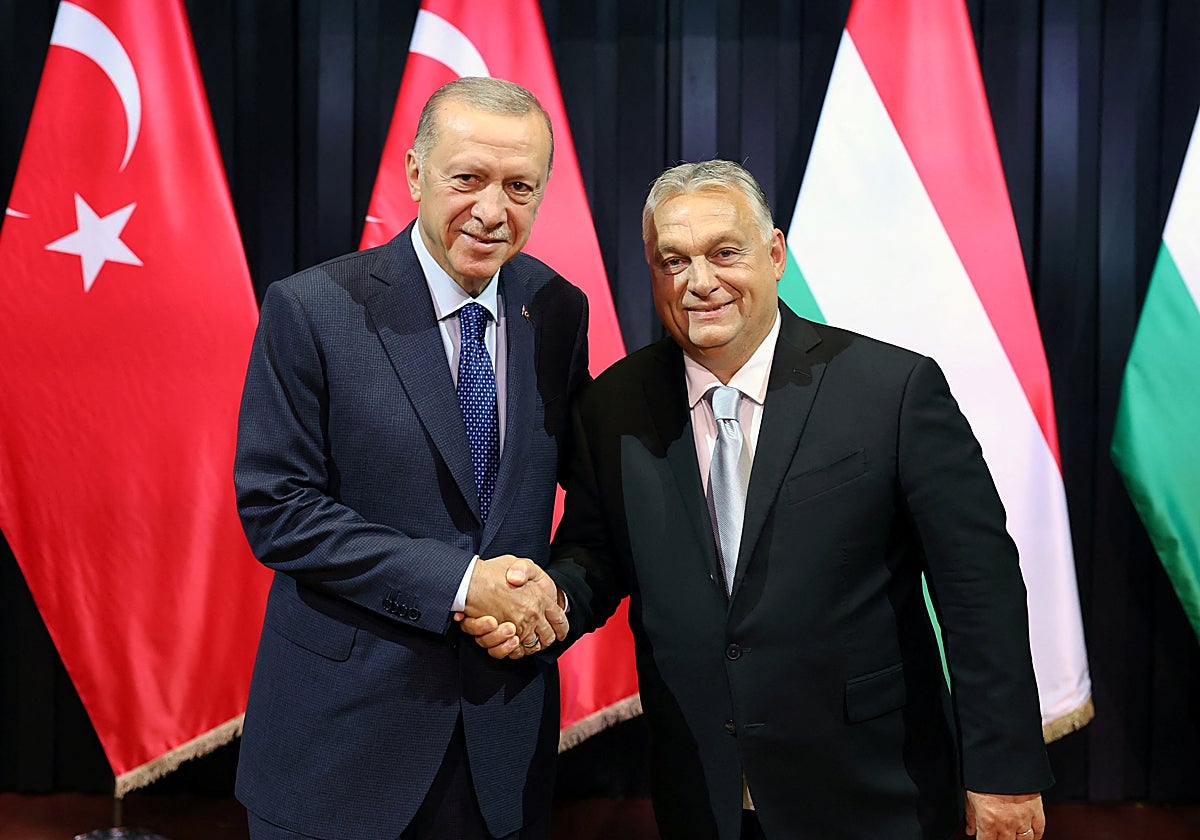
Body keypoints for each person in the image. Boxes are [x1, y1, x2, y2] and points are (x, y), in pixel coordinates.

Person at [467, 160, 1052, 840]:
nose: (699, 282)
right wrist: (552, 601)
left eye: (724, 253)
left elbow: (979, 589)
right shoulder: (612, 405)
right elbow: (596, 553)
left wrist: (1005, 772)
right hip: (701, 794)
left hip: (875, 791)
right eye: (673, 260)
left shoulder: (892, 391)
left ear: (774, 254)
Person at [233, 77, 588, 840]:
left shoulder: (558, 309)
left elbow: (593, 501)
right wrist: (461, 585)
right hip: (341, 749)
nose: (492, 210)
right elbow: (277, 508)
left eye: (520, 186)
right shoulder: (312, 308)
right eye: (469, 178)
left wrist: (555, 599)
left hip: (502, 746)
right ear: (416, 172)